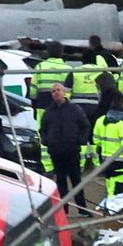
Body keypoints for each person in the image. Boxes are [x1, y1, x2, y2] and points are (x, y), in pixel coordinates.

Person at [38, 83, 91, 212]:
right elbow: (42, 130)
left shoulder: (75, 109)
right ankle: (64, 209)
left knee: (76, 180)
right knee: (61, 181)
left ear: (64, 92)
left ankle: (82, 208)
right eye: (53, 91)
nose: (55, 93)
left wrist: (80, 140)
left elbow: (85, 126)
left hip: (72, 150)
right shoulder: (48, 112)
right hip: (56, 152)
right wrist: (47, 141)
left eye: (58, 90)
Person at [91, 91, 123, 199]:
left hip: (106, 159)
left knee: (110, 185)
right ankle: (114, 209)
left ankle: (110, 207)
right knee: (119, 188)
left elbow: (96, 141)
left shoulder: (101, 120)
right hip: (122, 161)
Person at [29, 42, 73, 107]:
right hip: (61, 101)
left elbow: (33, 86)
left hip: (43, 101)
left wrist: (33, 100)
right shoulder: (68, 69)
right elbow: (70, 89)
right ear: (62, 52)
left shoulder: (40, 66)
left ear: (47, 52)